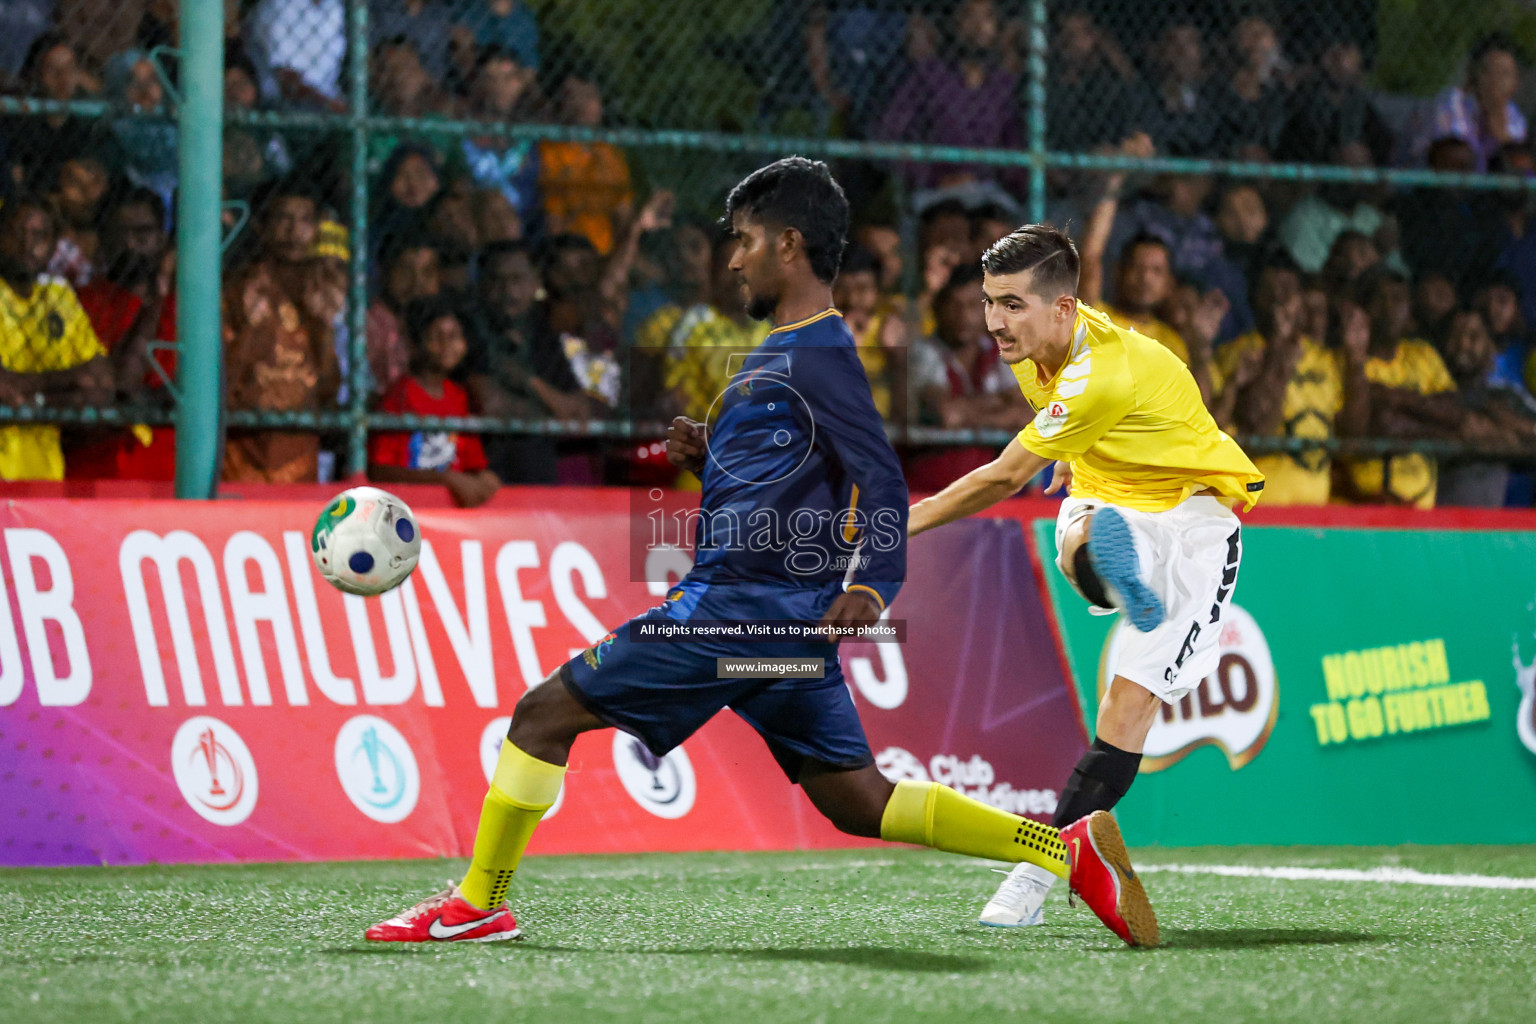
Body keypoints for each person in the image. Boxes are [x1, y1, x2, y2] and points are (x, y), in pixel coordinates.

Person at [365, 157, 1142, 948]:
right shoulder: (786, 351)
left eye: (744, 240)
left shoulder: (820, 357)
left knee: (539, 717)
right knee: (860, 802)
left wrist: (873, 587)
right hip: (779, 622)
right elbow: (793, 472)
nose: (732, 258)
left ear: (790, 245)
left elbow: (876, 477)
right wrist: (716, 454)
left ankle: (479, 902)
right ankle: (1063, 850)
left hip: (734, 612)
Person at [906, 223, 1265, 944]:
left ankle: (1036, 873)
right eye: (989, 302)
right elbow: (1074, 412)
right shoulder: (1039, 345)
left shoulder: (1102, 370)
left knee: (1126, 711)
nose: (994, 321)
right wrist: (1076, 452)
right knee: (1075, 532)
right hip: (1116, 501)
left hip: (1195, 521)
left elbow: (1004, 476)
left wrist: (890, 531)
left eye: (1011, 305)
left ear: (1062, 308)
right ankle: (1109, 571)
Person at [1210, 259, 1363, 506]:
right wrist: (1278, 350)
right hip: (1256, 506)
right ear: (1254, 298)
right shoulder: (1237, 353)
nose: (1278, 299)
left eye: (1287, 291)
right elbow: (1258, 426)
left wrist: (1356, 359)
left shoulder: (1324, 359)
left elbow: (1353, 434)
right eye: (1269, 291)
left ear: (1300, 301)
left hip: (1317, 507)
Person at [221, 181, 340, 483]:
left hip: (300, 459)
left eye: (305, 220)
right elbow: (221, 386)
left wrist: (323, 327)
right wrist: (252, 329)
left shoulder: (324, 290)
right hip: (243, 458)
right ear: (262, 226)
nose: (293, 231)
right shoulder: (238, 289)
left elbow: (328, 391)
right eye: (283, 219)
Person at [0, 193, 113, 480]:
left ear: (53, 247)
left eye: (39, 236)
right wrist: (68, 383)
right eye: (16, 233)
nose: (28, 245)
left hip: (46, 473)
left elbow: (100, 384)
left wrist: (32, 392)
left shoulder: (58, 295)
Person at [68, 186, 179, 480]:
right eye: (120, 233)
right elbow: (117, 387)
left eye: (142, 233)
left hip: (169, 473)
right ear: (103, 241)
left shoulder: (187, 307)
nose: (131, 244)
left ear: (161, 240)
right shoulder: (79, 303)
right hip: (95, 469)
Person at [463, 240, 591, 484]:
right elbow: (492, 405)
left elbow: (579, 412)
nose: (508, 292)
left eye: (517, 280)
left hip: (538, 470)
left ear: (535, 284)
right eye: (497, 281)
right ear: (481, 285)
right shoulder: (473, 332)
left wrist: (529, 382)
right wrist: (553, 412)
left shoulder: (541, 333)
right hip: (489, 472)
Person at [1338, 268, 1461, 509]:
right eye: (1380, 299)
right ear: (1364, 310)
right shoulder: (1345, 361)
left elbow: (1455, 413)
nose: (1390, 309)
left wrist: (1394, 401)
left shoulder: (1423, 355)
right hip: (1364, 508)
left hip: (1423, 511)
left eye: (1398, 299)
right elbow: (1357, 431)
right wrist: (1424, 414)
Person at [369, 296, 501, 508]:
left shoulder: (459, 396)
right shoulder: (400, 396)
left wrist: (484, 477)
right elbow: (379, 470)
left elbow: (471, 462)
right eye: (436, 337)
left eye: (454, 336)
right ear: (416, 343)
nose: (446, 345)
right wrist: (444, 479)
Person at [1436, 307, 1536, 506]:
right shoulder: (1429, 394)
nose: (1463, 344)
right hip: (1429, 525)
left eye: (1474, 336)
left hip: (1488, 527)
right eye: (1455, 336)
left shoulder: (1506, 398)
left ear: (1489, 347)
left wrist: (1503, 425)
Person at [1416, 33, 1528, 171]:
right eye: (1490, 72)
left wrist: (1501, 132)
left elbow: (1520, 167)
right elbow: (1454, 158)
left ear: (1515, 83)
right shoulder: (1452, 102)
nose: (1496, 81)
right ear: (1473, 74)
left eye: (1505, 74)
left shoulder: (1513, 114)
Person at [368, 233, 441, 399]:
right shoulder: (368, 326)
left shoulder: (442, 324)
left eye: (428, 272)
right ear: (383, 272)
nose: (417, 283)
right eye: (405, 271)